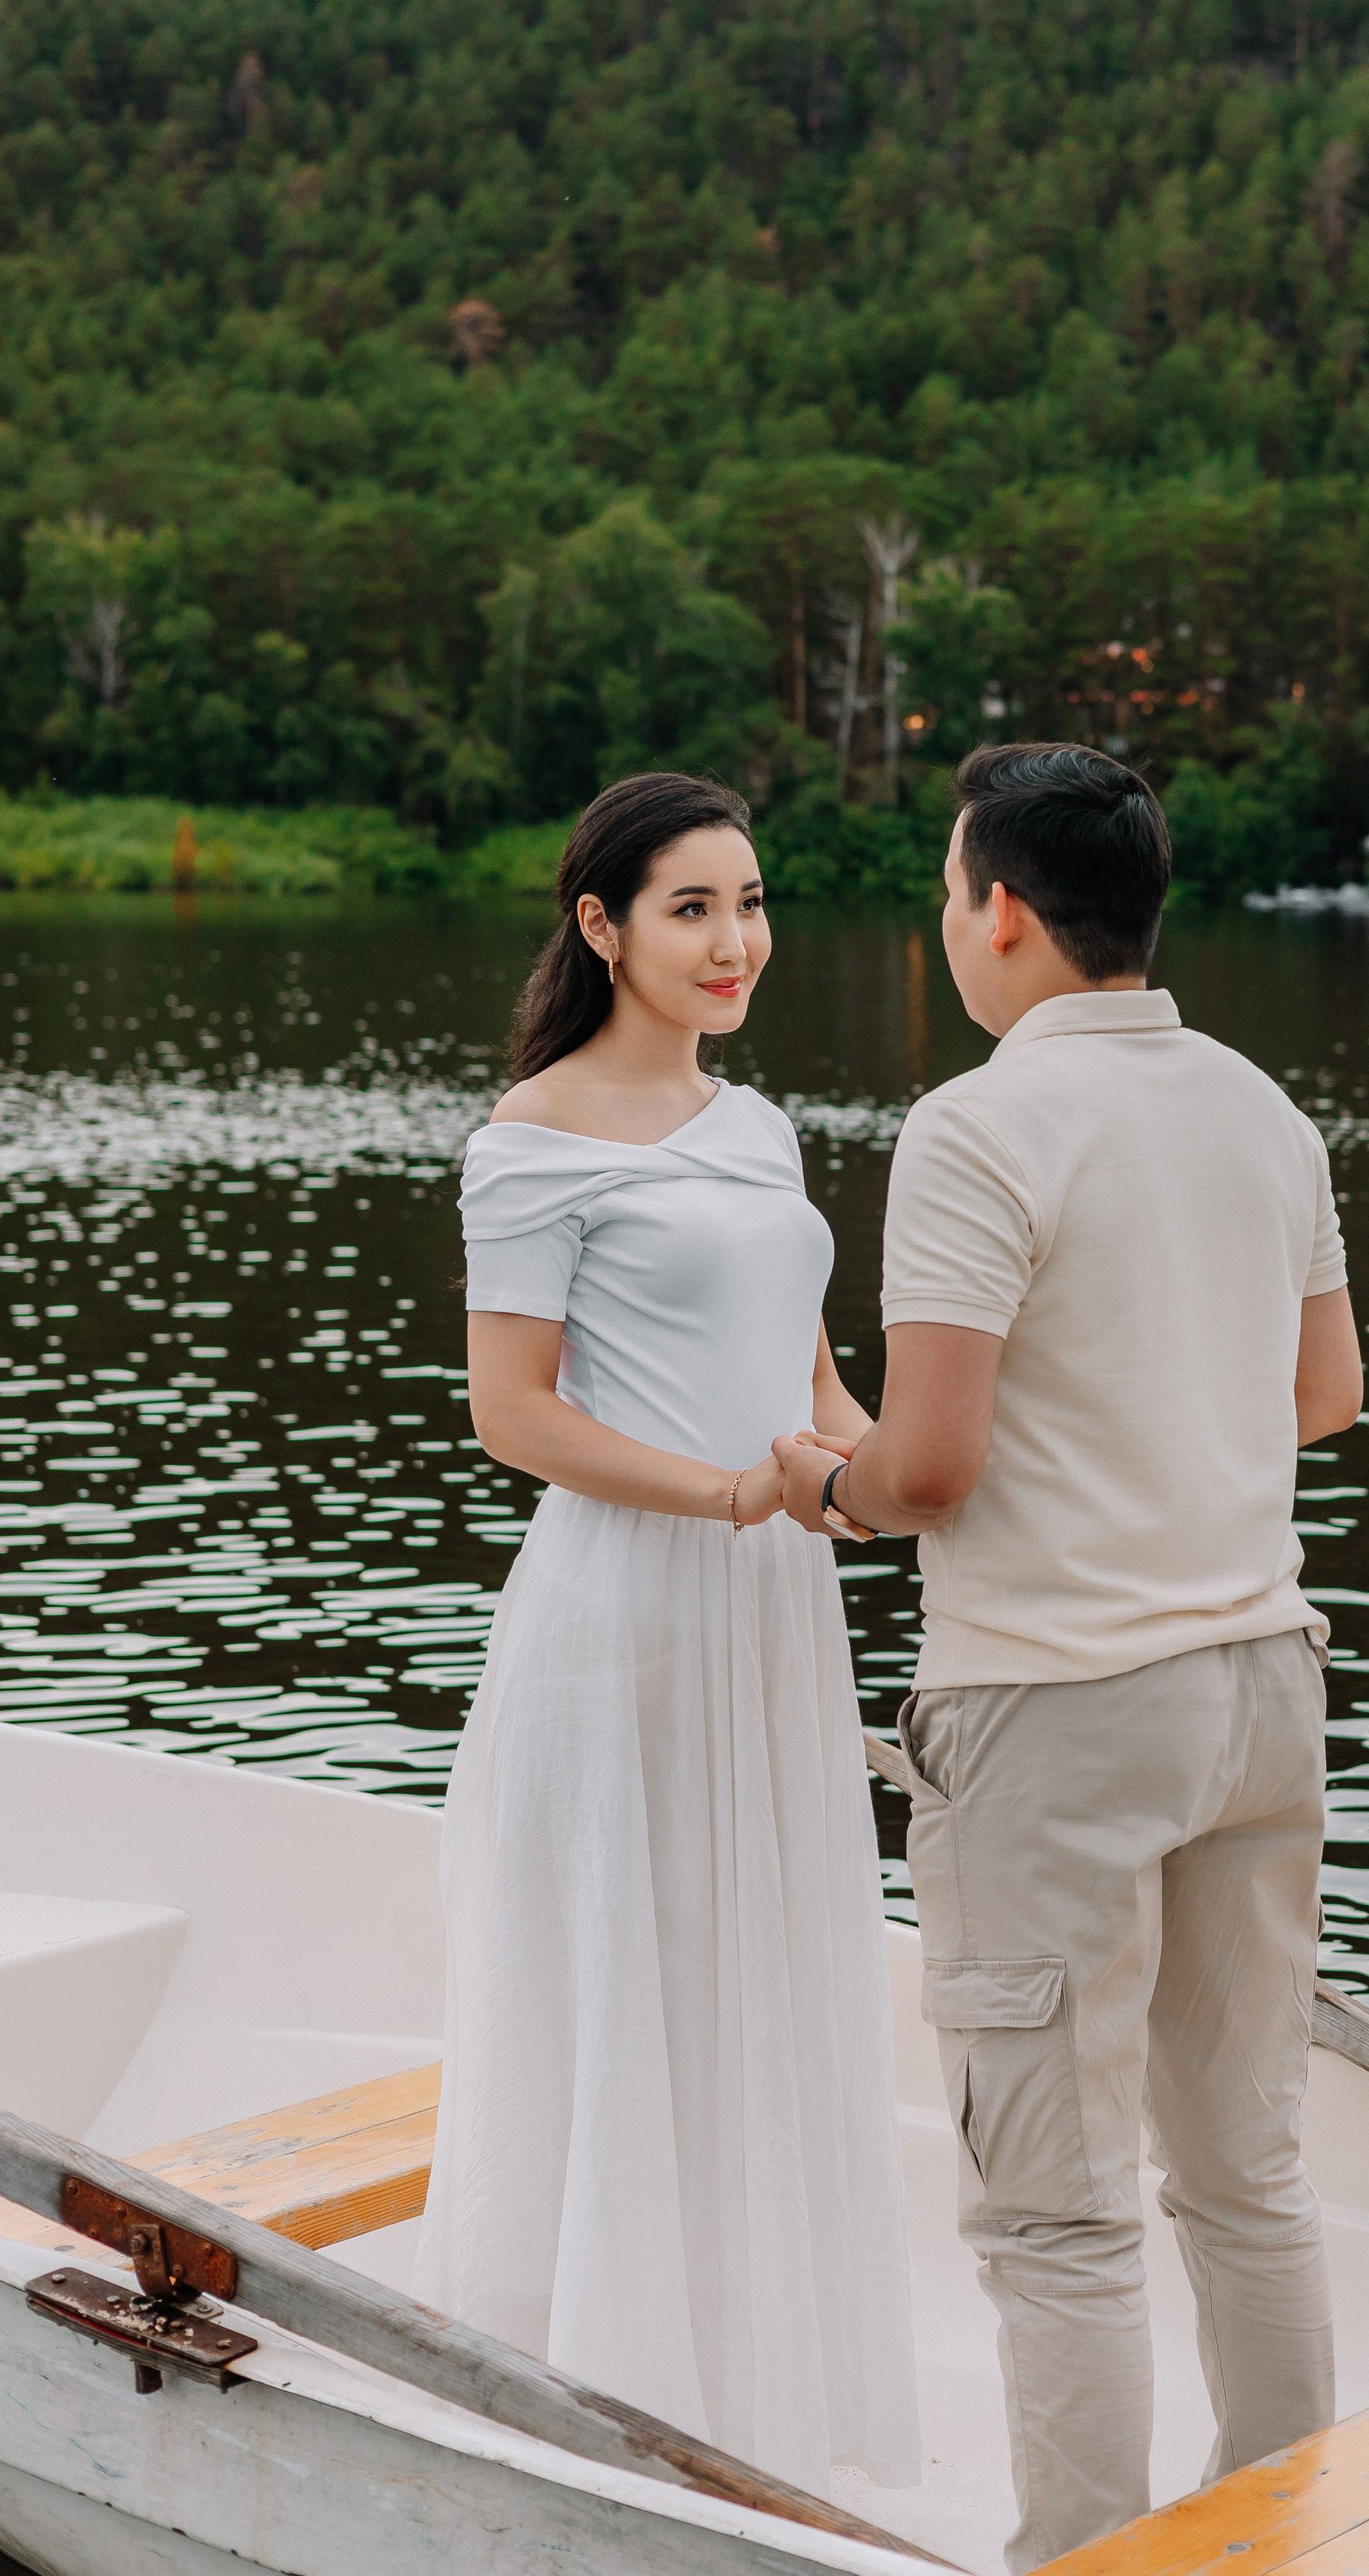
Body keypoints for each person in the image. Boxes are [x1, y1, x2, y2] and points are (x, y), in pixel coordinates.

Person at [776, 743, 1363, 2573]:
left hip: (1056, 1716)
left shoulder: (977, 1126)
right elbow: (1325, 1394)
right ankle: (1287, 2539)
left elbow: (927, 1467)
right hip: (1262, 1687)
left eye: (953, 896)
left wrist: (824, 1480)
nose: (952, 927)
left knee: (1056, 2216)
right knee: (1246, 2172)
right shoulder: (1262, 1109)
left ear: (1003, 913)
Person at [412, 772, 920, 2498]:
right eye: (692, 907)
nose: (735, 942)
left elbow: (814, 1383)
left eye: (752, 903)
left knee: (754, 1966)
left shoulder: (758, 1126)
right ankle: (589, 2384)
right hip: (627, 1604)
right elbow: (511, 1413)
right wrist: (719, 1497)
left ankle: (750, 2379)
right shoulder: (529, 1137)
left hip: (774, 1604)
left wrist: (896, 1474)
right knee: (624, 1973)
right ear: (599, 925)